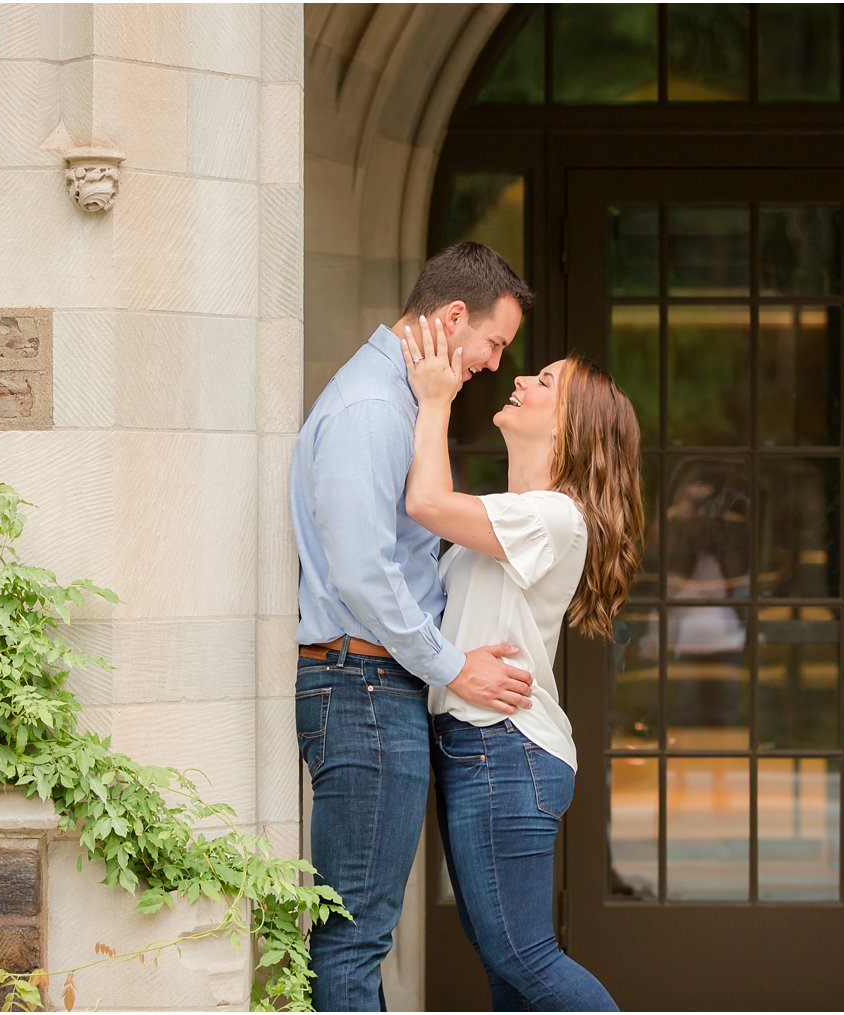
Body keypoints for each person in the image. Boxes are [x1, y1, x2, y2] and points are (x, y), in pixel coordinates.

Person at [291, 242, 539, 1011]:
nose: (495, 363)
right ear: (454, 316)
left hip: (371, 684)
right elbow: (364, 571)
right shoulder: (372, 408)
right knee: (355, 936)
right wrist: (451, 663)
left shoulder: (398, 402)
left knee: (360, 932)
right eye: (494, 343)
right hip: (361, 685)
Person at [401, 313, 642, 1011]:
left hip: (504, 751)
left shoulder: (556, 515)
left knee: (523, 955)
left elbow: (424, 501)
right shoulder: (512, 513)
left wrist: (435, 398)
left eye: (542, 382)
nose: (518, 379)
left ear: (567, 431)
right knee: (507, 972)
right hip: (480, 749)